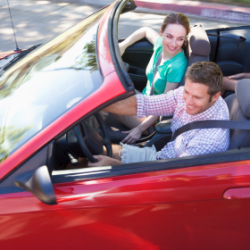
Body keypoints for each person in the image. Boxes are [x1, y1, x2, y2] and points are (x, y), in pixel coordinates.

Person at [88, 61, 230, 167]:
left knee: (92, 165)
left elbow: (172, 177)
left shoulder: (210, 140)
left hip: (163, 172)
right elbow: (145, 104)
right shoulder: (189, 95)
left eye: (197, 97)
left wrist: (114, 165)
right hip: (161, 157)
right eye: (187, 92)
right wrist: (93, 104)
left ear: (216, 96)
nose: (188, 100)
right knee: (97, 152)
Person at [113, 12, 190, 144]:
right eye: (169, 36)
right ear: (161, 32)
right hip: (142, 100)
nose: (173, 44)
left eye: (180, 39)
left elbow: (165, 105)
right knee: (108, 92)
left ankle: (87, 139)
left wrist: (139, 129)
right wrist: (123, 45)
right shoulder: (160, 44)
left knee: (104, 104)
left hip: (149, 116)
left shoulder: (176, 66)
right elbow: (145, 31)